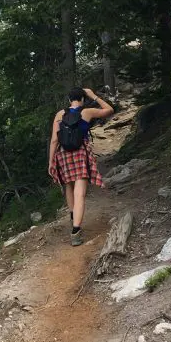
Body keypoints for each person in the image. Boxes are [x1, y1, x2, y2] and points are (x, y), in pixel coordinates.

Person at [49, 86, 114, 245]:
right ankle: (76, 231)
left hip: (63, 154)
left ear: (69, 99)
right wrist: (94, 96)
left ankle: (73, 216)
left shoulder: (59, 114)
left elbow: (54, 140)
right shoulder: (87, 112)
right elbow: (109, 109)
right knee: (80, 192)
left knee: (69, 186)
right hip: (80, 152)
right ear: (83, 99)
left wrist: (51, 161)